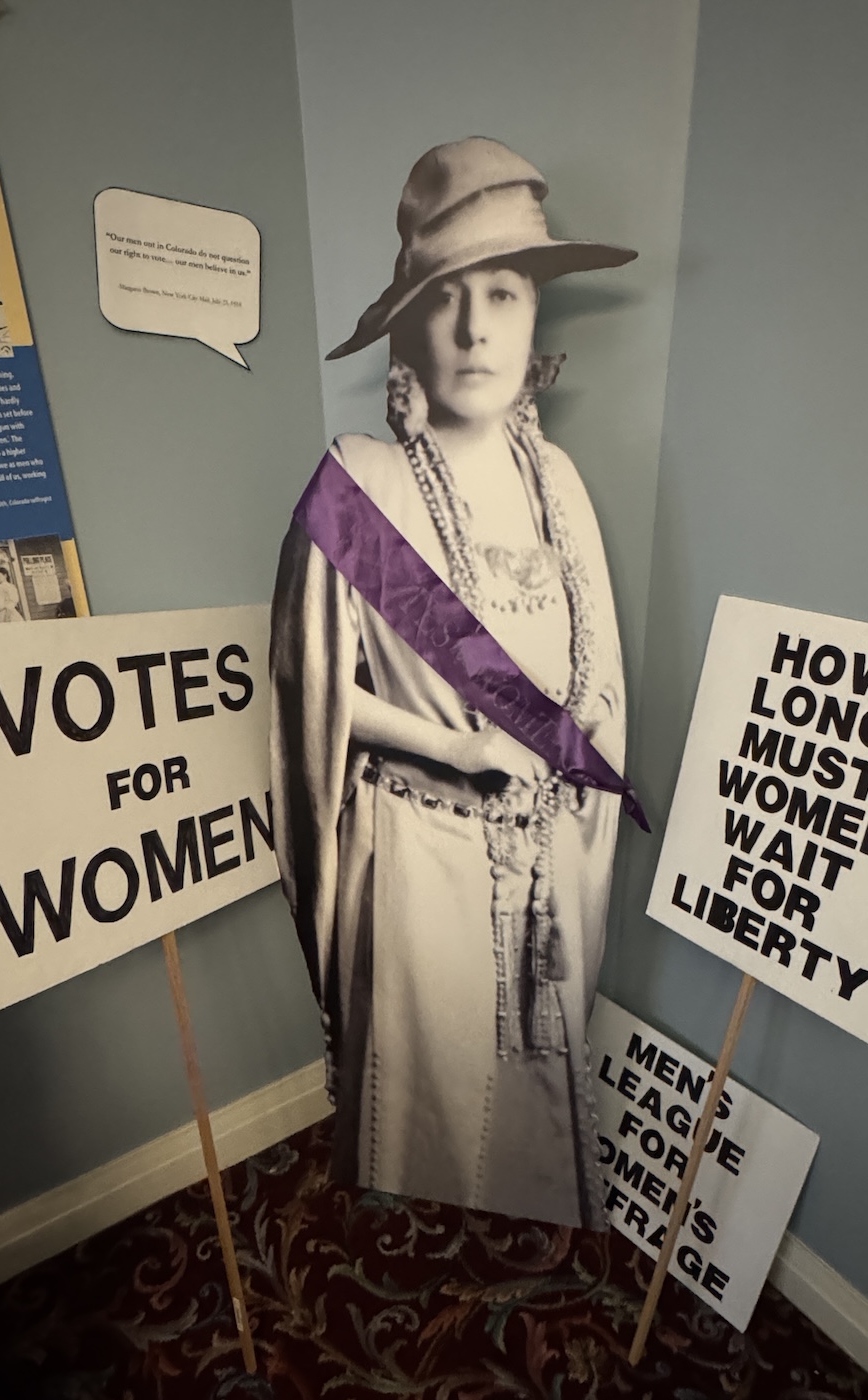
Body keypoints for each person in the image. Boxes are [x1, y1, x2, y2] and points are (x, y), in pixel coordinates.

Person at [271, 139, 638, 1229]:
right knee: (425, 1112)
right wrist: (460, 747)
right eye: (445, 296)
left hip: (545, 857)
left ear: (535, 317)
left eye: (505, 292)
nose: (475, 328)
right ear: (407, 325)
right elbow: (311, 698)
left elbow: (600, 677)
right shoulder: (358, 483)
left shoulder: (560, 480)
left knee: (528, 1116)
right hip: (419, 854)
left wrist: (569, 787)